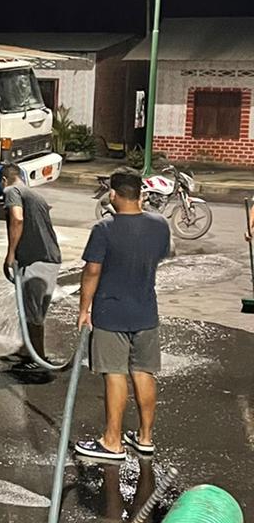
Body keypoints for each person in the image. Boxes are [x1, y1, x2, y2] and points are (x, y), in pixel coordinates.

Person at [74, 170, 172, 463]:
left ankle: (112, 442)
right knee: (143, 372)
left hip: (111, 312)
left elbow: (92, 271)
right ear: (141, 194)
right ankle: (145, 438)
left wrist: (84, 309)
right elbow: (158, 256)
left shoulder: (104, 229)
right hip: (146, 311)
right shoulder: (160, 225)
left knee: (115, 373)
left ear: (113, 194)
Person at [0, 163, 63, 367]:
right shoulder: (35, 195)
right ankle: (27, 350)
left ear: (4, 180)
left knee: (33, 312)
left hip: (36, 259)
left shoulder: (12, 191)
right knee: (33, 309)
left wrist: (10, 254)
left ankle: (38, 359)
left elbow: (17, 219)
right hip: (50, 258)